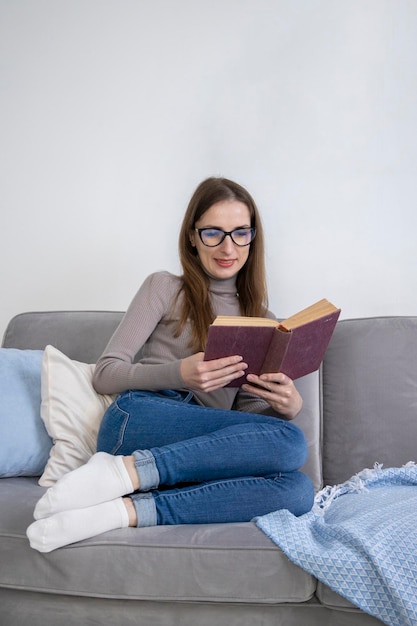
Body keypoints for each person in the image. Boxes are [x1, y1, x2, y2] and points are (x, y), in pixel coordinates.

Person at [27, 177, 314, 552]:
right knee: (292, 444)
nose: (228, 246)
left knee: (297, 489)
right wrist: (180, 372)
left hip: (196, 452)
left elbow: (245, 422)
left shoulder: (261, 317)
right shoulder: (164, 287)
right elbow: (105, 373)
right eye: (213, 232)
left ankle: (123, 511)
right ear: (192, 237)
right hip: (142, 417)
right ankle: (120, 471)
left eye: (240, 233)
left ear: (252, 238)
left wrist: (284, 406)